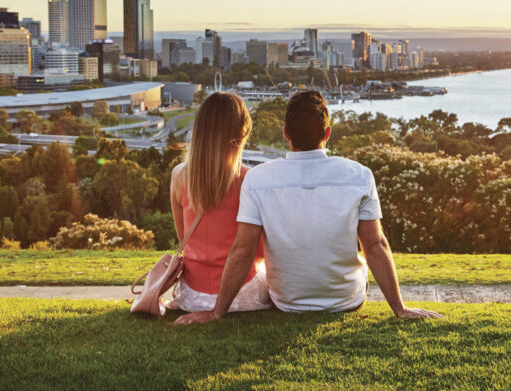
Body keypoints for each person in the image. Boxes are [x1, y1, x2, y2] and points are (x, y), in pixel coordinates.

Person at [175, 90, 442, 324]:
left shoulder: (258, 179)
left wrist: (216, 313)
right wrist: (400, 308)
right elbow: (375, 246)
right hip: (345, 300)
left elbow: (242, 250)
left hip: (286, 302)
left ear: (286, 135)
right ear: (327, 133)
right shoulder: (360, 175)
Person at [170, 92, 272, 319]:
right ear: (242, 133)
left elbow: (184, 239)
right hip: (240, 295)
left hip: (191, 296)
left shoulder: (179, 176)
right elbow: (259, 251)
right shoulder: (249, 180)